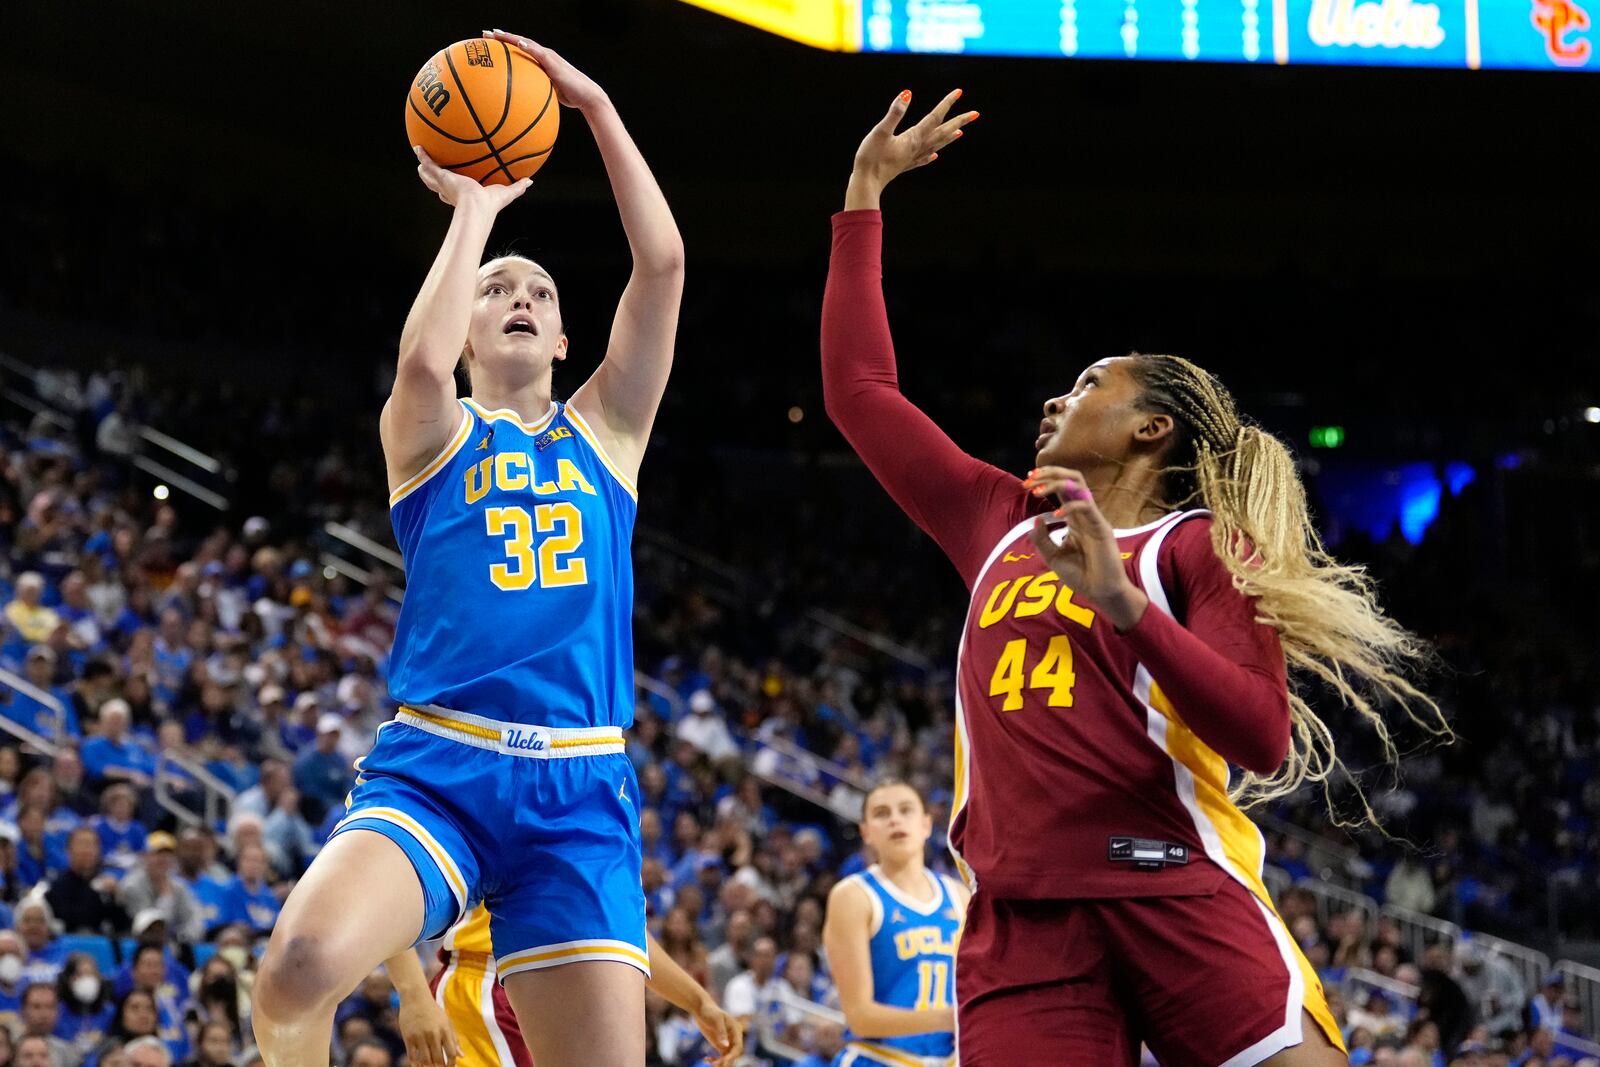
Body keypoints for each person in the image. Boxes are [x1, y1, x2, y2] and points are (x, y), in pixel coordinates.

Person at [821, 89, 1446, 1066]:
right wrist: (864, 193)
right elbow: (859, 392)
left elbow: (1262, 733)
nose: (1052, 394)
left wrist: (1124, 608)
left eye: (1086, 385)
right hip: (1022, 922)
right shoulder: (995, 516)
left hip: (1173, 889)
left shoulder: (1198, 545)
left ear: (1150, 427)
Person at [252, 30, 685, 1067]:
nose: (521, 299)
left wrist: (596, 110)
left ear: (569, 340)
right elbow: (417, 358)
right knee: (299, 964)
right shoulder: (433, 433)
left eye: (539, 291)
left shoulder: (607, 436)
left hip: (579, 785)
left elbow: (661, 264)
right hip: (439, 763)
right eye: (498, 291)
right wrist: (479, 209)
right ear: (472, 326)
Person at [386, 900, 742, 1067]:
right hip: (487, 986)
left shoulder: (594, 780)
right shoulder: (487, 765)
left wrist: (698, 1002)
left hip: (568, 993)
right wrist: (413, 995)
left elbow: (615, 927)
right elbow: (392, 890)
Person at [823, 780, 966, 1067]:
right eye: (881, 813)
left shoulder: (959, 895)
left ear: (926, 825)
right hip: (878, 1059)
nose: (895, 819)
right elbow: (860, 1017)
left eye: (906, 810)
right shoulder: (853, 896)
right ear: (866, 832)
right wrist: (951, 1018)